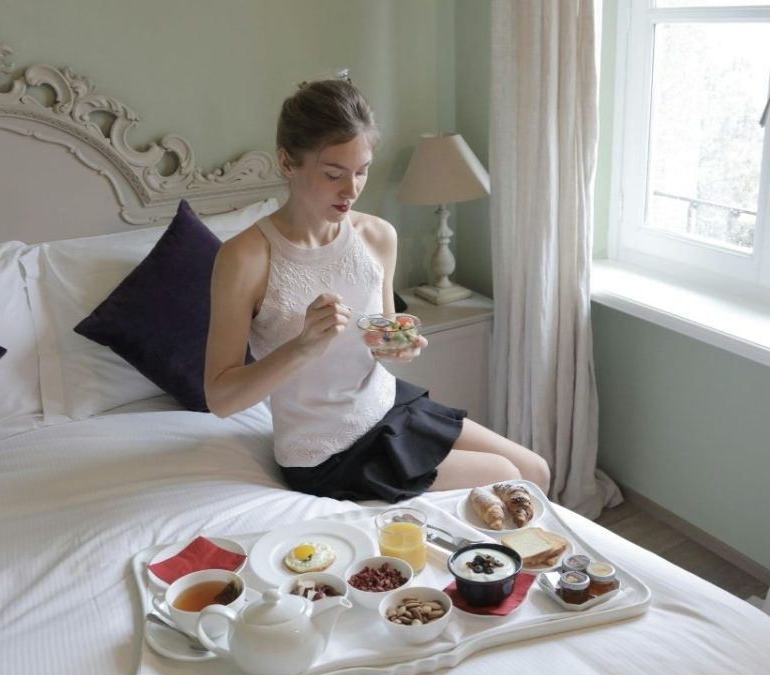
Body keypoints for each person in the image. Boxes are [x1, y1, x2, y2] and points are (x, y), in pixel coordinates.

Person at [204, 78, 549, 502]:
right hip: (326, 450)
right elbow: (220, 398)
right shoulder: (245, 259)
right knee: (508, 477)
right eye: (333, 174)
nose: (351, 190)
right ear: (287, 163)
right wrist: (303, 346)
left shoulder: (378, 236)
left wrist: (396, 346)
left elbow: (381, 337)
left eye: (362, 171)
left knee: (536, 470)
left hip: (388, 405)